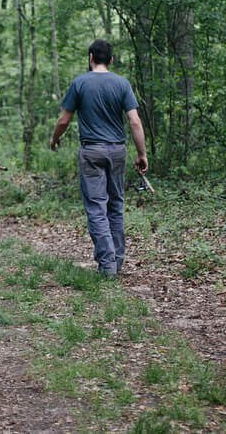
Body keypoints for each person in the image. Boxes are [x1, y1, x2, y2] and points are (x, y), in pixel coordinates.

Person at [48, 39, 148, 278]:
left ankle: (107, 265)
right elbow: (135, 121)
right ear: (111, 60)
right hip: (117, 151)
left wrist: (54, 140)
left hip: (92, 151)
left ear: (90, 57)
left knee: (96, 208)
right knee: (116, 205)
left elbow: (64, 120)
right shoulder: (122, 83)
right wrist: (142, 154)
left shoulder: (80, 83)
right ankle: (117, 259)